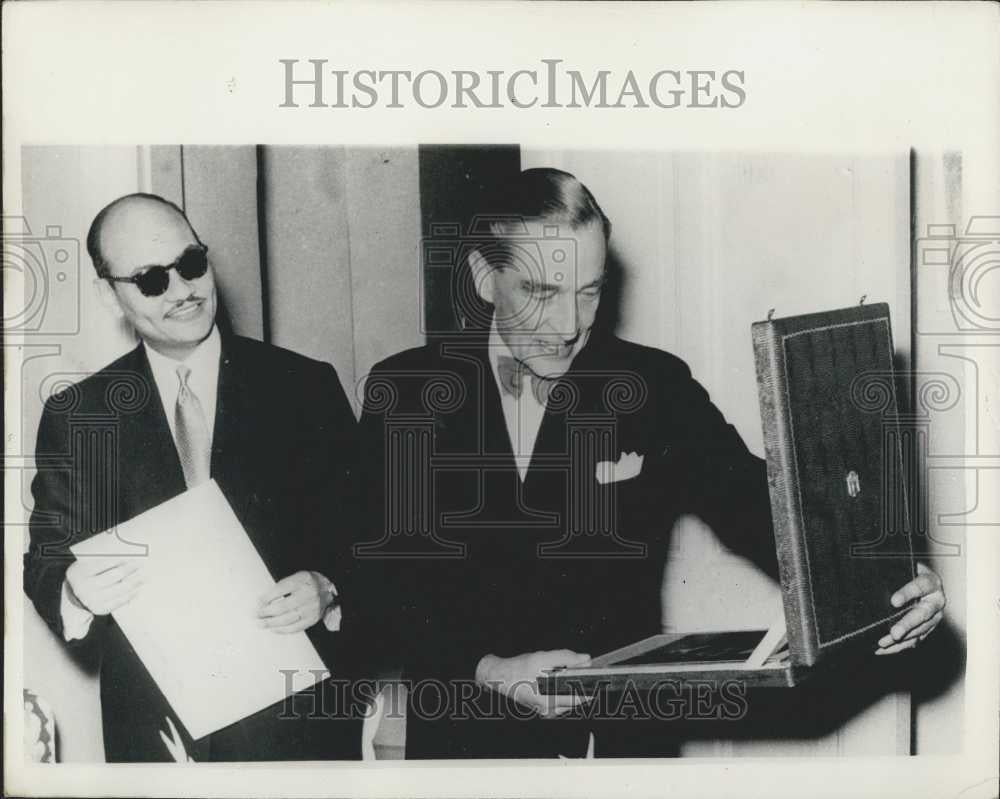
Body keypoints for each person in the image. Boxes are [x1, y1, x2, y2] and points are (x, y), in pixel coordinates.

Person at [351, 168, 947, 758]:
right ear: (485, 278)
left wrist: (885, 583)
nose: (568, 328)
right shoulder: (406, 392)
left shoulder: (654, 383)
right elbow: (380, 586)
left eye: (589, 292)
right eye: (541, 293)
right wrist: (487, 669)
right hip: (470, 745)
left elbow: (756, 501)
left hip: (624, 747)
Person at [24, 194, 361, 762]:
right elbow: (46, 559)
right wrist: (76, 588)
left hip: (296, 733)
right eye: (152, 279)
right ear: (111, 293)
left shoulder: (304, 388)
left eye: (191, 264)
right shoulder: (80, 416)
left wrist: (328, 586)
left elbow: (370, 539)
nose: (183, 290)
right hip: (155, 737)